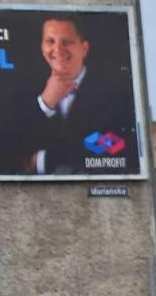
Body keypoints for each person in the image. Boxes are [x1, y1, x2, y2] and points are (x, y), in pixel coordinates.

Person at [18, 14, 139, 175]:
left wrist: (46, 159)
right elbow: (12, 146)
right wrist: (45, 103)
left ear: (84, 49)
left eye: (67, 42)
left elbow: (117, 143)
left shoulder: (114, 91)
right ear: (42, 48)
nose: (58, 49)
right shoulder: (24, 90)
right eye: (50, 41)